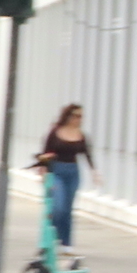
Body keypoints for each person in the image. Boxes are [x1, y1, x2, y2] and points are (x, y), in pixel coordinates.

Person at [35, 104, 95, 247]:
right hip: (57, 171)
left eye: (81, 116)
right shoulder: (55, 132)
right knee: (58, 207)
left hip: (73, 172)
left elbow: (87, 154)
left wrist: (94, 171)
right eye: (77, 116)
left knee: (68, 210)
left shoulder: (81, 135)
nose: (79, 119)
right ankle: (53, 234)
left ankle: (66, 244)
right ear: (68, 116)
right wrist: (43, 170)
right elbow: (44, 152)